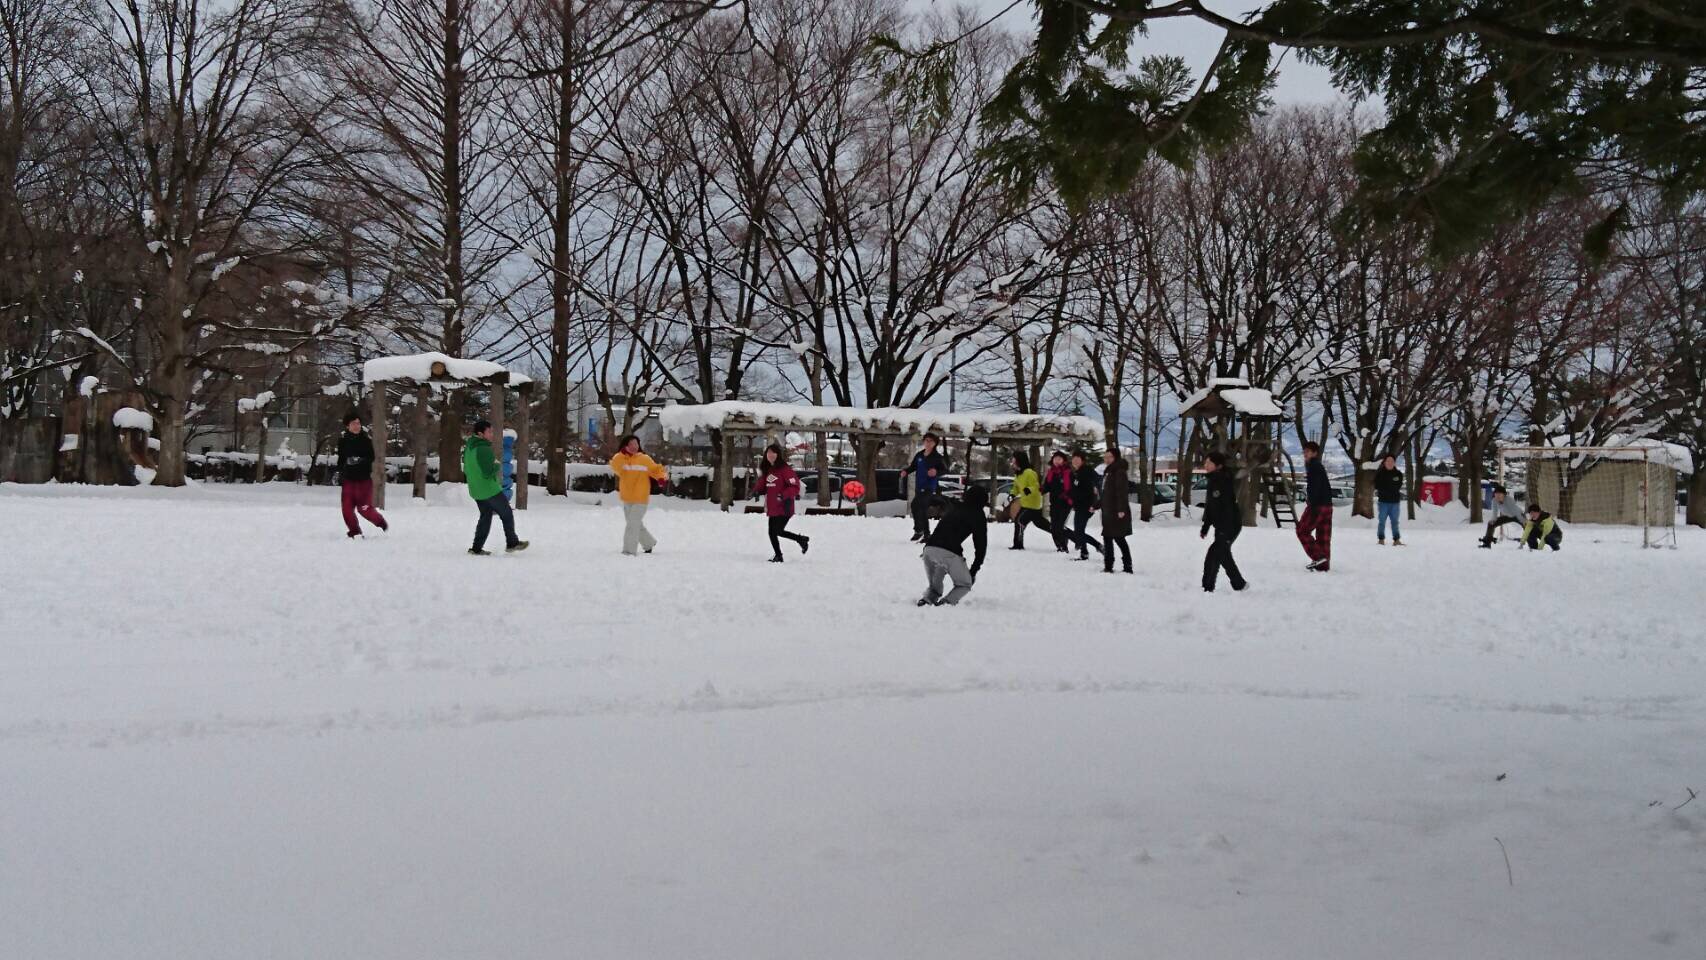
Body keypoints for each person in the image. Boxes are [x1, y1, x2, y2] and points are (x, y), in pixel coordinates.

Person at [464, 419, 527, 555]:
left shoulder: (469, 447)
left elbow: (468, 469)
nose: (492, 434)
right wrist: (497, 465)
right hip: (489, 490)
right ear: (480, 434)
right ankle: (512, 543)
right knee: (507, 513)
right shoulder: (483, 448)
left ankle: (476, 549)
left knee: (485, 517)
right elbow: (488, 472)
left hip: (476, 489)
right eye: (489, 432)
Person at [918, 486, 988, 606]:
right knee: (965, 584)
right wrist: (974, 570)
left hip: (929, 550)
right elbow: (980, 545)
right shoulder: (978, 515)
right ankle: (946, 603)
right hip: (949, 552)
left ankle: (927, 599)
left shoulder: (955, 508)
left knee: (938, 577)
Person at [610, 434, 668, 556]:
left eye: (636, 444)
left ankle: (629, 551)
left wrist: (661, 478)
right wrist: (623, 454)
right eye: (631, 444)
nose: (634, 446)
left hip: (641, 498)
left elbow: (656, 469)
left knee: (632, 524)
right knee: (635, 524)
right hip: (627, 497)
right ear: (626, 445)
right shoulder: (620, 459)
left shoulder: (644, 459)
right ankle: (648, 543)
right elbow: (614, 465)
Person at [1199, 450, 1248, 592]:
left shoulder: (1223, 480)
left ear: (1218, 466)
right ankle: (1208, 587)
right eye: (1205, 462)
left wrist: (1224, 529)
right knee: (1217, 554)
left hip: (1230, 525)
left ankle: (1238, 584)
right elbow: (1210, 507)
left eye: (1209, 463)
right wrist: (1205, 527)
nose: (1205, 465)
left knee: (1219, 553)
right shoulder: (1212, 480)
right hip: (1221, 526)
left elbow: (1227, 507)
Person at [335, 412, 388, 538]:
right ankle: (355, 531)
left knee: (363, 508)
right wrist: (338, 471)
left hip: (363, 480)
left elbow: (371, 457)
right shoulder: (343, 441)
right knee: (347, 509)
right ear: (348, 426)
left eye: (358, 423)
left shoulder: (365, 440)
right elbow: (341, 459)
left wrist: (359, 460)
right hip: (348, 480)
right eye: (354, 424)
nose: (357, 426)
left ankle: (380, 522)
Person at [756, 443, 810, 562]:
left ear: (778, 455)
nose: (770, 455)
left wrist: (782, 495)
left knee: (776, 531)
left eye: (773, 453)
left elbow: (795, 487)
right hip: (773, 507)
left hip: (784, 506)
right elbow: (764, 486)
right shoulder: (768, 470)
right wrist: (757, 489)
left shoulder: (785, 469)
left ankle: (784, 551)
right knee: (773, 532)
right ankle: (782, 553)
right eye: (768, 453)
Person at [904, 433, 950, 542]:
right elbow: (912, 467)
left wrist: (936, 472)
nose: (928, 443)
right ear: (923, 441)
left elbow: (946, 470)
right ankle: (922, 532)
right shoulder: (919, 455)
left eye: (931, 441)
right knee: (918, 508)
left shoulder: (937, 457)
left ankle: (923, 532)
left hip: (930, 487)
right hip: (919, 486)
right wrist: (905, 471)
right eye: (926, 440)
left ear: (935, 443)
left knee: (917, 504)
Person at [1296, 440, 1334, 572]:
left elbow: (1315, 487)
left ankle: (1319, 557)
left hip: (1318, 506)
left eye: (1308, 451)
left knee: (1302, 530)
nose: (1305, 454)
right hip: (1327, 505)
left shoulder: (1314, 466)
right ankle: (1323, 565)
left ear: (1315, 453)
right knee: (1323, 536)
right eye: (1304, 451)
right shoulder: (1318, 466)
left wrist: (1311, 504)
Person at [1100, 448, 1133, 574]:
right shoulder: (1108, 472)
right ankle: (1108, 565)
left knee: (1119, 538)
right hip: (1108, 511)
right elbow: (1105, 493)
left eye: (1110, 457)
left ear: (1116, 458)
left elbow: (1122, 491)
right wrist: (1097, 504)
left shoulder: (1119, 471)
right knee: (1107, 537)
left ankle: (1127, 566)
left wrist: (1121, 509)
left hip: (1116, 511)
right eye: (1105, 457)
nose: (1107, 459)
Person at [1008, 452, 1049, 549]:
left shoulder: (1029, 472)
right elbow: (1015, 487)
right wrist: (1012, 494)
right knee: (1042, 525)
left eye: (1014, 459)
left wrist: (1028, 489)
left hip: (1032, 504)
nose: (1012, 461)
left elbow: (1036, 486)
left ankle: (1018, 545)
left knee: (1019, 521)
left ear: (1019, 460)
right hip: (1025, 503)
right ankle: (1061, 534)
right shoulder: (1018, 474)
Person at [1067, 451, 1103, 561]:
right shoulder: (1077, 473)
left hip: (1086, 506)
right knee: (1079, 531)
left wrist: (1094, 503)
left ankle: (1097, 547)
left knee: (1079, 531)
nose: (1075, 461)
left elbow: (1094, 485)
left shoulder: (1086, 471)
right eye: (1074, 459)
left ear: (1083, 460)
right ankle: (1085, 552)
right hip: (1079, 506)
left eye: (1078, 458)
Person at [1042, 451, 1073, 552]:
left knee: (1059, 525)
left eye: (1059, 459)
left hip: (1065, 503)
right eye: (1055, 459)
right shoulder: (1051, 472)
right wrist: (1040, 489)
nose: (1057, 461)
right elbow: (1047, 486)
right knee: (1054, 526)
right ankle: (1059, 544)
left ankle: (1064, 546)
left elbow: (1070, 487)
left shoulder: (1068, 471)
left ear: (1063, 460)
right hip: (1054, 503)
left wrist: (1066, 494)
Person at [1374, 453, 1404, 546]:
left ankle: (1396, 540)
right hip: (1383, 502)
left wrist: (1387, 487)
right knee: (1382, 521)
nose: (1390, 463)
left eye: (1392, 461)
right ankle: (1381, 539)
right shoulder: (1379, 474)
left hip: (1395, 503)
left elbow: (1397, 486)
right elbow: (1378, 486)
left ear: (1394, 463)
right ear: (1384, 462)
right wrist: (1388, 488)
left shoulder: (1398, 474)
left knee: (1395, 522)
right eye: (1388, 461)